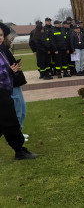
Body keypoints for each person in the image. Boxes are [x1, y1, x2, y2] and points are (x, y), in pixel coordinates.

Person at [0, 23, 37, 160]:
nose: (0, 37)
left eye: (1, 35)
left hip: (5, 90)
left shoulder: (1, 50)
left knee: (5, 122)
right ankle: (19, 151)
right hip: (1, 93)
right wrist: (10, 70)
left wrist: (12, 71)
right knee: (10, 122)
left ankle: (19, 148)